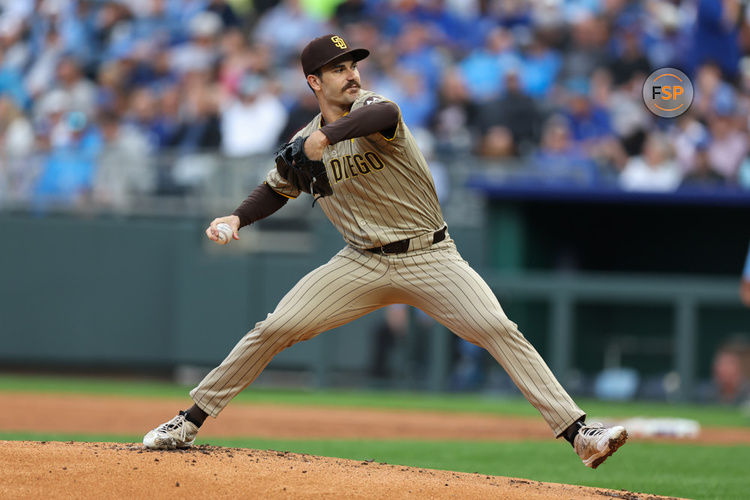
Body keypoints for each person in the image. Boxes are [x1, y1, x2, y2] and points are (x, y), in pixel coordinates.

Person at [142, 34, 628, 469]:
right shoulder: (301, 143)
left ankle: (579, 432)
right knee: (273, 328)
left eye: (353, 64)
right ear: (314, 81)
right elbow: (277, 187)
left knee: (499, 329)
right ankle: (188, 421)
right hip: (360, 261)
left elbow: (387, 114)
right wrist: (235, 217)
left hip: (430, 256)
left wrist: (324, 137)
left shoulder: (370, 110)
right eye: (338, 68)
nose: (351, 73)